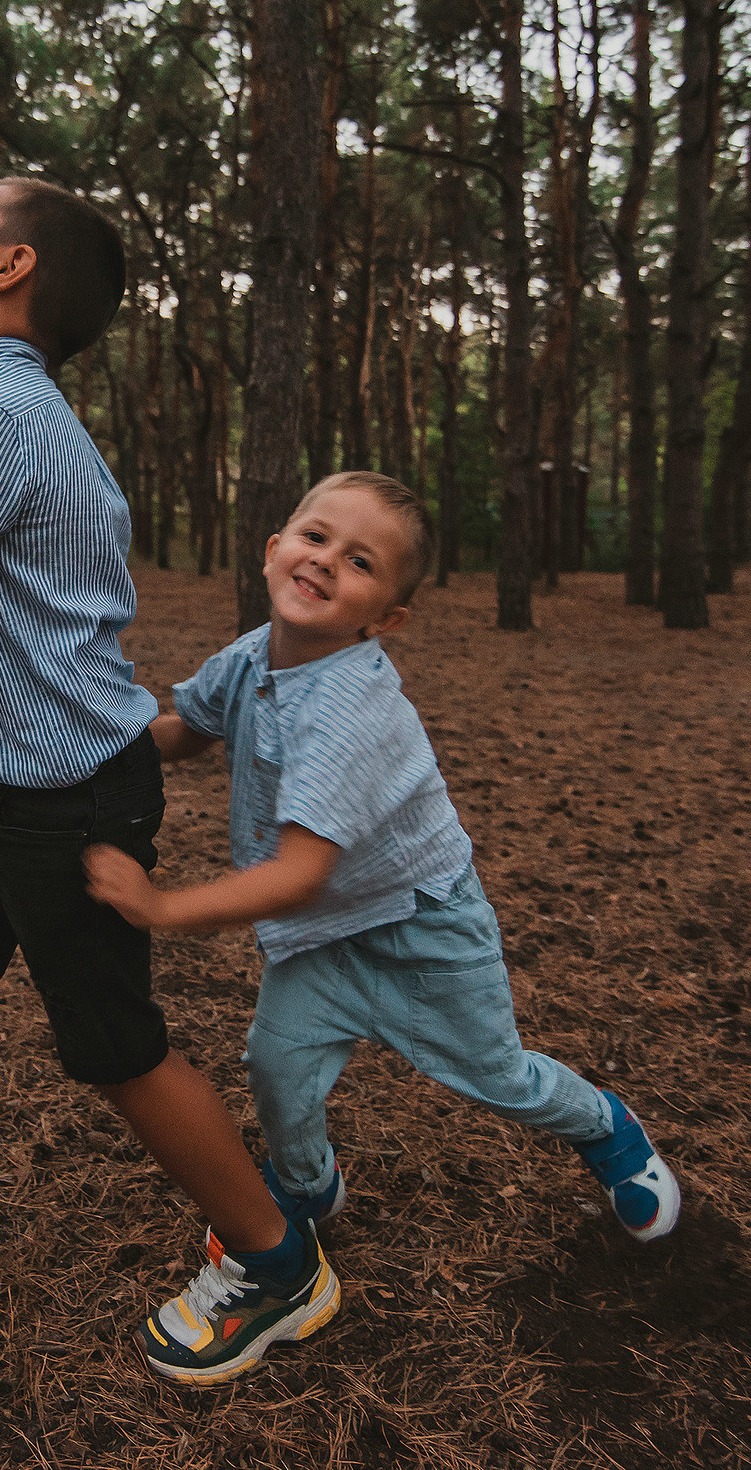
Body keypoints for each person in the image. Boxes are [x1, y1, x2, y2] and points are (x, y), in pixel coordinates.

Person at [0, 178, 340, 1387]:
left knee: (113, 1046)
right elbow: (4, 633)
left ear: (7, 268)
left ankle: (275, 1259)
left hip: (69, 803)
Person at [84, 471, 682, 1261]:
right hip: (322, 936)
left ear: (387, 617)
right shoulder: (251, 656)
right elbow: (192, 729)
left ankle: (609, 1129)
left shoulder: (348, 709)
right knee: (276, 1062)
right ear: (272, 552)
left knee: (498, 1075)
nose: (328, 561)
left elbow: (300, 872)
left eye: (361, 562)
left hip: (420, 921)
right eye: (316, 537)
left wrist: (160, 907)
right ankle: (305, 1182)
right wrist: (97, 749)